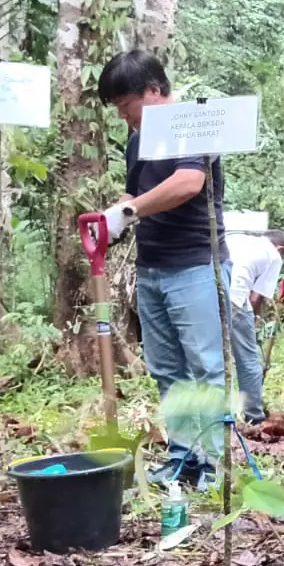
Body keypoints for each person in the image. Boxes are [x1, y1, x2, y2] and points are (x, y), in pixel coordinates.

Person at [97, 50, 231, 489]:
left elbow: (188, 183)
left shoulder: (194, 123)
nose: (125, 118)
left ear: (153, 91)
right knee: (167, 369)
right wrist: (114, 213)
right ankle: (183, 457)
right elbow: (138, 193)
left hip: (195, 265)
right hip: (152, 268)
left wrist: (130, 210)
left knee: (205, 367)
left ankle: (215, 463)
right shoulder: (138, 139)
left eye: (126, 107)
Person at [227, 222, 284, 424]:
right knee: (248, 358)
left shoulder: (242, 239)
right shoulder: (274, 255)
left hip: (209, 290)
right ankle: (253, 415)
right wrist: (251, 322)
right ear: (280, 248)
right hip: (235, 298)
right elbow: (256, 298)